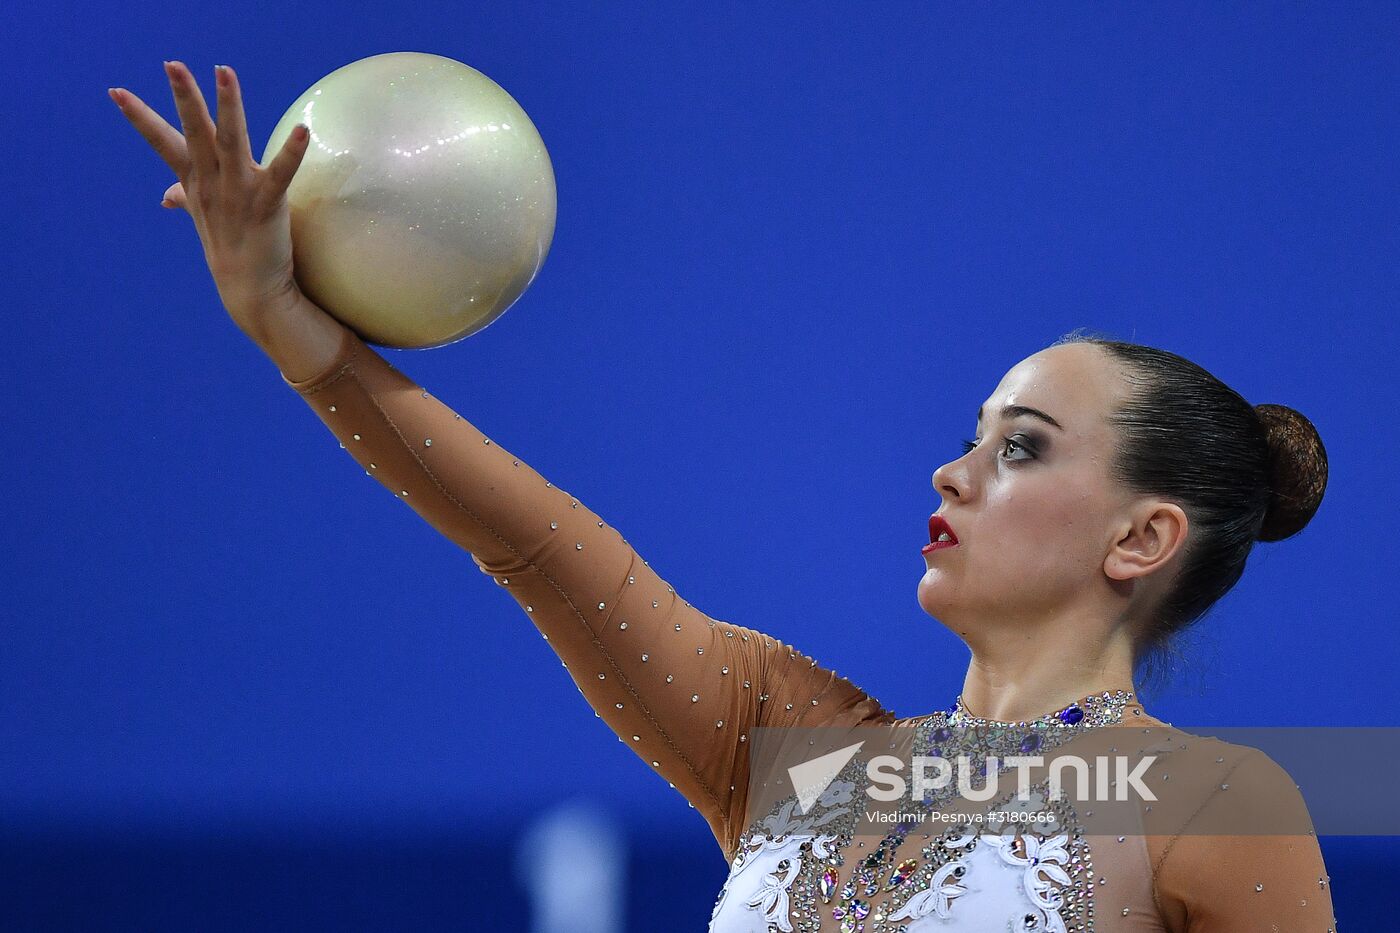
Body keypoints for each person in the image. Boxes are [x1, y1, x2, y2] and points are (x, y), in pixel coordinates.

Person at [111, 62, 1339, 932]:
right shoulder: (792, 752)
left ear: (1142, 537)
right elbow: (533, 541)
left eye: (1019, 448)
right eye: (970, 436)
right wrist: (285, 325)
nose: (950, 472)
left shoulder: (1217, 806)